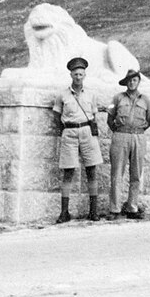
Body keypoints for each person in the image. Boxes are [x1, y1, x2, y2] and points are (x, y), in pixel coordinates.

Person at [52, 57, 104, 223]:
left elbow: (94, 115)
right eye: (75, 74)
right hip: (70, 132)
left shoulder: (91, 94)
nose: (78, 77)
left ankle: (93, 211)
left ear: (84, 75)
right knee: (68, 171)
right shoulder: (62, 95)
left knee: (91, 169)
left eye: (81, 74)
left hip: (87, 131)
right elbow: (56, 115)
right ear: (71, 75)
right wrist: (65, 129)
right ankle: (64, 212)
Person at [107, 69, 150, 220]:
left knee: (136, 174)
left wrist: (136, 130)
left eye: (134, 80)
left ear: (138, 81)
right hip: (121, 135)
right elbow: (110, 119)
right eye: (129, 80)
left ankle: (132, 208)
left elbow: (148, 120)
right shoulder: (117, 98)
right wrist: (120, 130)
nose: (132, 82)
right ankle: (114, 209)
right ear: (126, 82)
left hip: (138, 137)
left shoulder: (145, 100)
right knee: (117, 173)